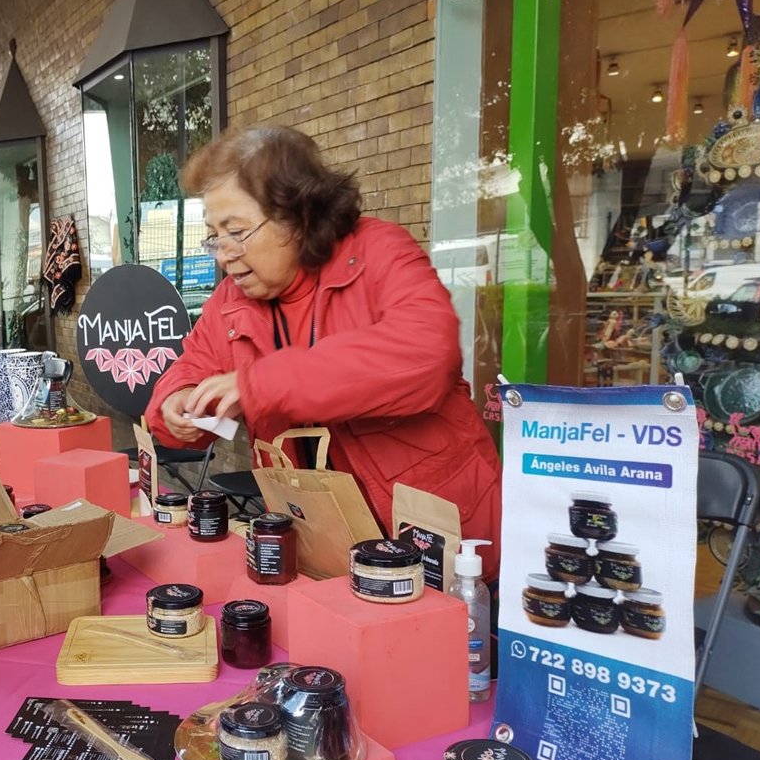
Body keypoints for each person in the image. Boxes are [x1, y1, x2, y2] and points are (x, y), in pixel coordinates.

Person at [147, 126, 502, 582]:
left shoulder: (379, 251)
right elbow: (185, 372)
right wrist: (177, 404)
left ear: (299, 216)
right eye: (214, 236)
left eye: (236, 231)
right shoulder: (230, 303)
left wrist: (257, 385)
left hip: (432, 537)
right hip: (320, 542)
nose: (224, 255)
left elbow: (427, 355)